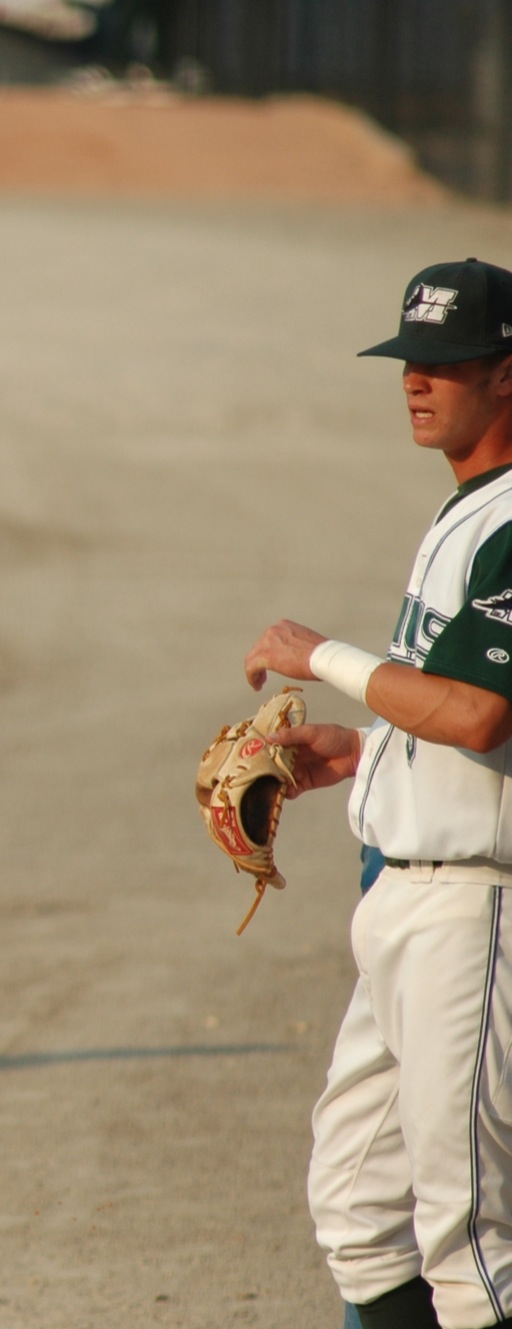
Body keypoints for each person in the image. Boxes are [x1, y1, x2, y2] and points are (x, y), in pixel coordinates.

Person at [245, 258, 512, 1329]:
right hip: (403, 905)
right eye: (407, 361)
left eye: (443, 362)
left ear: (505, 374)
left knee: (468, 1241)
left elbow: (480, 717)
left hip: (473, 910)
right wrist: (360, 751)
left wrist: (326, 657)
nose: (415, 381)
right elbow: (453, 717)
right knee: (356, 1211)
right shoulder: (463, 509)